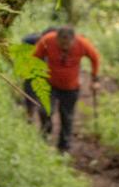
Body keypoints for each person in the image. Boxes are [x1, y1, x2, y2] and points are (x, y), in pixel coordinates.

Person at [31, 25, 100, 153]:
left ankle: (64, 147)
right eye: (61, 43)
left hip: (71, 87)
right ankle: (45, 136)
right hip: (49, 84)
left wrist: (95, 79)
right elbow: (35, 56)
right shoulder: (47, 40)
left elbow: (95, 58)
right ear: (56, 38)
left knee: (67, 117)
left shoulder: (82, 43)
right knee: (45, 110)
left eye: (67, 44)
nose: (64, 47)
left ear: (73, 40)